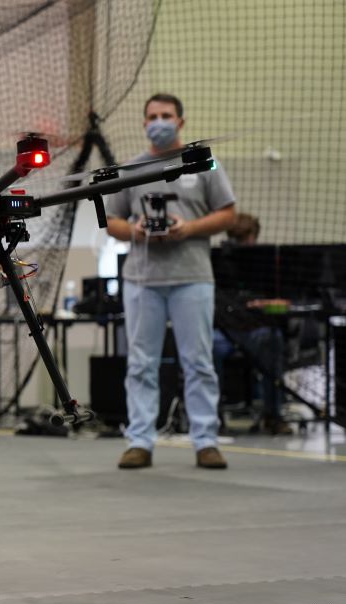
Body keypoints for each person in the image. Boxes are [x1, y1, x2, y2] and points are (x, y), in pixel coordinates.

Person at [105, 93, 237, 469]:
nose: (158, 121)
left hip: (192, 277)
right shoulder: (131, 169)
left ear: (181, 121)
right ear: (143, 122)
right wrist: (136, 230)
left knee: (198, 361)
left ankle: (206, 441)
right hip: (141, 280)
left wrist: (189, 228)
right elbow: (111, 221)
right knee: (141, 362)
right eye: (151, 116)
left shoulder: (203, 163)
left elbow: (228, 214)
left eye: (165, 115)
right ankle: (140, 442)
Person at [212, 212, 293, 435]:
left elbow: (285, 304)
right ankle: (213, 418)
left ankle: (272, 414)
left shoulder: (268, 264)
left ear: (254, 236)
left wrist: (267, 304)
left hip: (258, 330)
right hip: (225, 332)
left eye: (246, 238)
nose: (244, 244)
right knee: (207, 346)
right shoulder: (218, 262)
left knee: (272, 340)